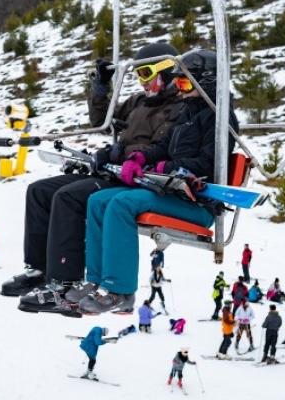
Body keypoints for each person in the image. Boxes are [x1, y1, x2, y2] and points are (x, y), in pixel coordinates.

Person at [4, 42, 191, 306]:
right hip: (114, 171)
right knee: (39, 191)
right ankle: (39, 269)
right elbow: (101, 121)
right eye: (137, 75)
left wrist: (120, 152)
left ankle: (64, 281)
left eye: (146, 74)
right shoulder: (138, 102)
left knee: (68, 197)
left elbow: (161, 148)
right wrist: (101, 88)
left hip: (139, 179)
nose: (142, 82)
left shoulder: (179, 108)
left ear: (167, 72)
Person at [77, 50, 240, 314]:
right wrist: (141, 158)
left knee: (121, 204)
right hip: (171, 191)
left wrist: (170, 167)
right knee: (97, 201)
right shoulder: (187, 112)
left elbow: (210, 163)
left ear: (206, 82)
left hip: (196, 202)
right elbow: (163, 147)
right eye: (179, 83)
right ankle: (96, 281)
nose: (180, 88)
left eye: (186, 83)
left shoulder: (220, 119)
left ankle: (120, 291)